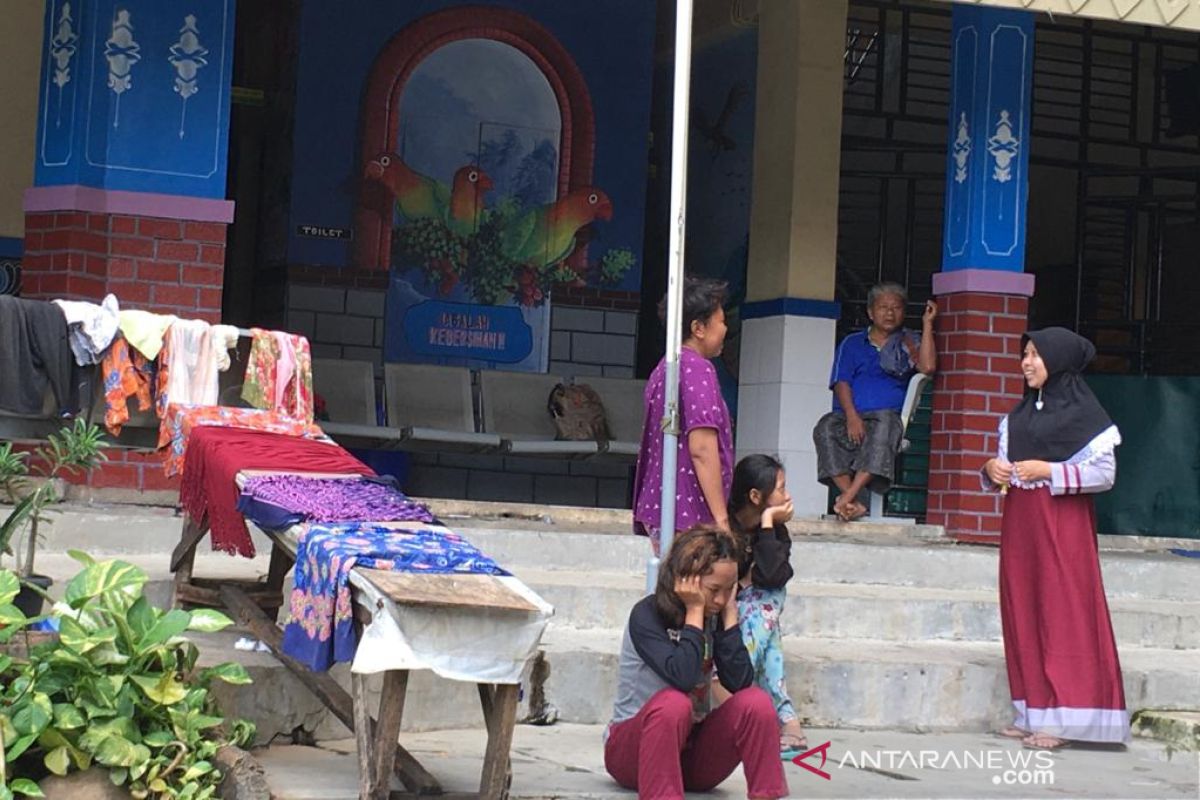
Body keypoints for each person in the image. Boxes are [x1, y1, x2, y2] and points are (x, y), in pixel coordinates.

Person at [982, 327, 1129, 751]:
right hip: (1022, 526)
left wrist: (1050, 471)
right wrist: (992, 471)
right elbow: (1007, 470)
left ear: (1059, 361)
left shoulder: (1087, 418)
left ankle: (1068, 717)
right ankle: (1032, 712)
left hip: (1063, 527)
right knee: (1024, 610)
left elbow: (1104, 475)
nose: (1027, 362)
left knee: (1062, 612)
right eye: (1024, 354)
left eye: (1036, 355)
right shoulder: (1017, 418)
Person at [604, 526, 788, 799]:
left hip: (691, 755)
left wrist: (729, 622)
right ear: (685, 579)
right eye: (714, 589)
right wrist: (694, 612)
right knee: (674, 703)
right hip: (633, 753)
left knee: (756, 702)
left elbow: (739, 683)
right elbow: (683, 677)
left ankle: (767, 794)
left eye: (729, 590)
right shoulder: (647, 615)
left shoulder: (718, 612)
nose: (720, 599)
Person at [813, 282, 937, 520]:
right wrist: (852, 417)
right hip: (850, 416)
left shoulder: (908, 342)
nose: (890, 313)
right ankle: (854, 500)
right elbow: (841, 382)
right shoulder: (852, 343)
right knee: (825, 427)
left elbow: (928, 367)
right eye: (883, 307)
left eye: (896, 308)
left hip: (887, 417)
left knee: (884, 426)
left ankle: (848, 499)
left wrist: (927, 324)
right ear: (870, 312)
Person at [633, 276, 734, 555]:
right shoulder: (698, 370)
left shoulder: (663, 368)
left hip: (662, 506)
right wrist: (721, 519)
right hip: (690, 512)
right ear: (698, 328)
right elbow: (702, 448)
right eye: (721, 321)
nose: (726, 328)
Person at [727, 454, 806, 760]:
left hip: (759, 607)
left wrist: (768, 524)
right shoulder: (727, 525)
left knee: (766, 604)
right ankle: (786, 722)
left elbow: (773, 576)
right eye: (781, 488)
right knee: (769, 641)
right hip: (731, 608)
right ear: (756, 496)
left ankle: (764, 721)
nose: (788, 496)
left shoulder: (774, 528)